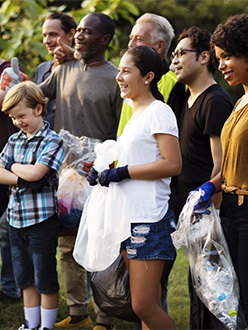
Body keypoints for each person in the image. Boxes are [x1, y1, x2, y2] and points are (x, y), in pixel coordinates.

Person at [87, 45, 182, 330]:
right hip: (129, 220)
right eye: (119, 70)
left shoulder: (159, 112)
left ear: (148, 77)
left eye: (127, 71)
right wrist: (103, 171)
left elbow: (172, 164)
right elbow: (135, 162)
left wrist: (122, 172)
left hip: (149, 221)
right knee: (143, 307)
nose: (119, 76)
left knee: (142, 305)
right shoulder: (134, 115)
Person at [38, 13, 122, 329]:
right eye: (79, 31)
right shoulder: (64, 70)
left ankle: (104, 319)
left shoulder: (116, 78)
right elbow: (36, 96)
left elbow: (120, 133)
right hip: (65, 178)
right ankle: (78, 314)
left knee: (102, 246)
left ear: (105, 40)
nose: (79, 36)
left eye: (87, 32)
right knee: (67, 247)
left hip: (100, 178)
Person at [171, 27, 233, 329]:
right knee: (198, 287)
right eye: (174, 55)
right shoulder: (186, 97)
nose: (175, 60)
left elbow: (221, 167)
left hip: (212, 214)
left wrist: (212, 218)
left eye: (181, 53)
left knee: (216, 292)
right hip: (193, 213)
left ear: (205, 57)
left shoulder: (215, 101)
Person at [193, 13, 248, 325]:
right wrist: (212, 185)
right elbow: (231, 161)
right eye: (218, 58)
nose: (222, 65)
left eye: (228, 56)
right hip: (232, 210)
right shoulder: (239, 99)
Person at [0, 81, 64, 330]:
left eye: (22, 116)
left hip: (42, 221)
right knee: (24, 279)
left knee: (44, 278)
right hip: (16, 219)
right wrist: (20, 177)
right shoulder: (14, 140)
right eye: (13, 118)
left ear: (38, 109)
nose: (18, 122)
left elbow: (38, 173)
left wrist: (12, 166)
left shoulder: (52, 140)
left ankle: (46, 327)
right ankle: (31, 324)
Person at [35, 12, 76, 129]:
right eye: (44, 35)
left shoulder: (81, 69)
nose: (47, 41)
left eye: (53, 34)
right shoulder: (42, 68)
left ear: (71, 34)